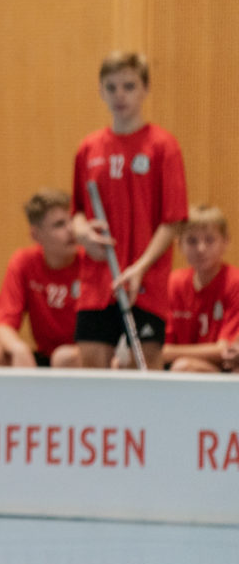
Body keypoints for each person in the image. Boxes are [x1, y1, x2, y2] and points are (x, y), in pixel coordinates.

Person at [71, 51, 187, 370]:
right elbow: (77, 212)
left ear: (145, 89)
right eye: (111, 87)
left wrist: (140, 267)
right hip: (98, 282)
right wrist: (81, 231)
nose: (119, 95)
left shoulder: (163, 146)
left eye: (129, 86)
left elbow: (173, 220)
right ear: (101, 91)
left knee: (144, 374)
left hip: (145, 282)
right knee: (92, 376)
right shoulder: (88, 148)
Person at [0, 189, 83, 367]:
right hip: (43, 356)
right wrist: (18, 348)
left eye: (72, 220)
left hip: (81, 354)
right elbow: (1, 326)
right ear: (36, 235)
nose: (71, 229)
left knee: (63, 357)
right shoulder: (24, 262)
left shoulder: (90, 261)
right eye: (59, 225)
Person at [162, 205, 239, 372]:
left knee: (183, 367)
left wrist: (168, 353)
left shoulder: (234, 283)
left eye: (209, 240)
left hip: (225, 370)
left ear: (226, 242)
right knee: (122, 364)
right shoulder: (173, 283)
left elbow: (224, 350)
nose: (201, 249)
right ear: (179, 244)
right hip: (175, 366)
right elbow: (162, 346)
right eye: (192, 241)